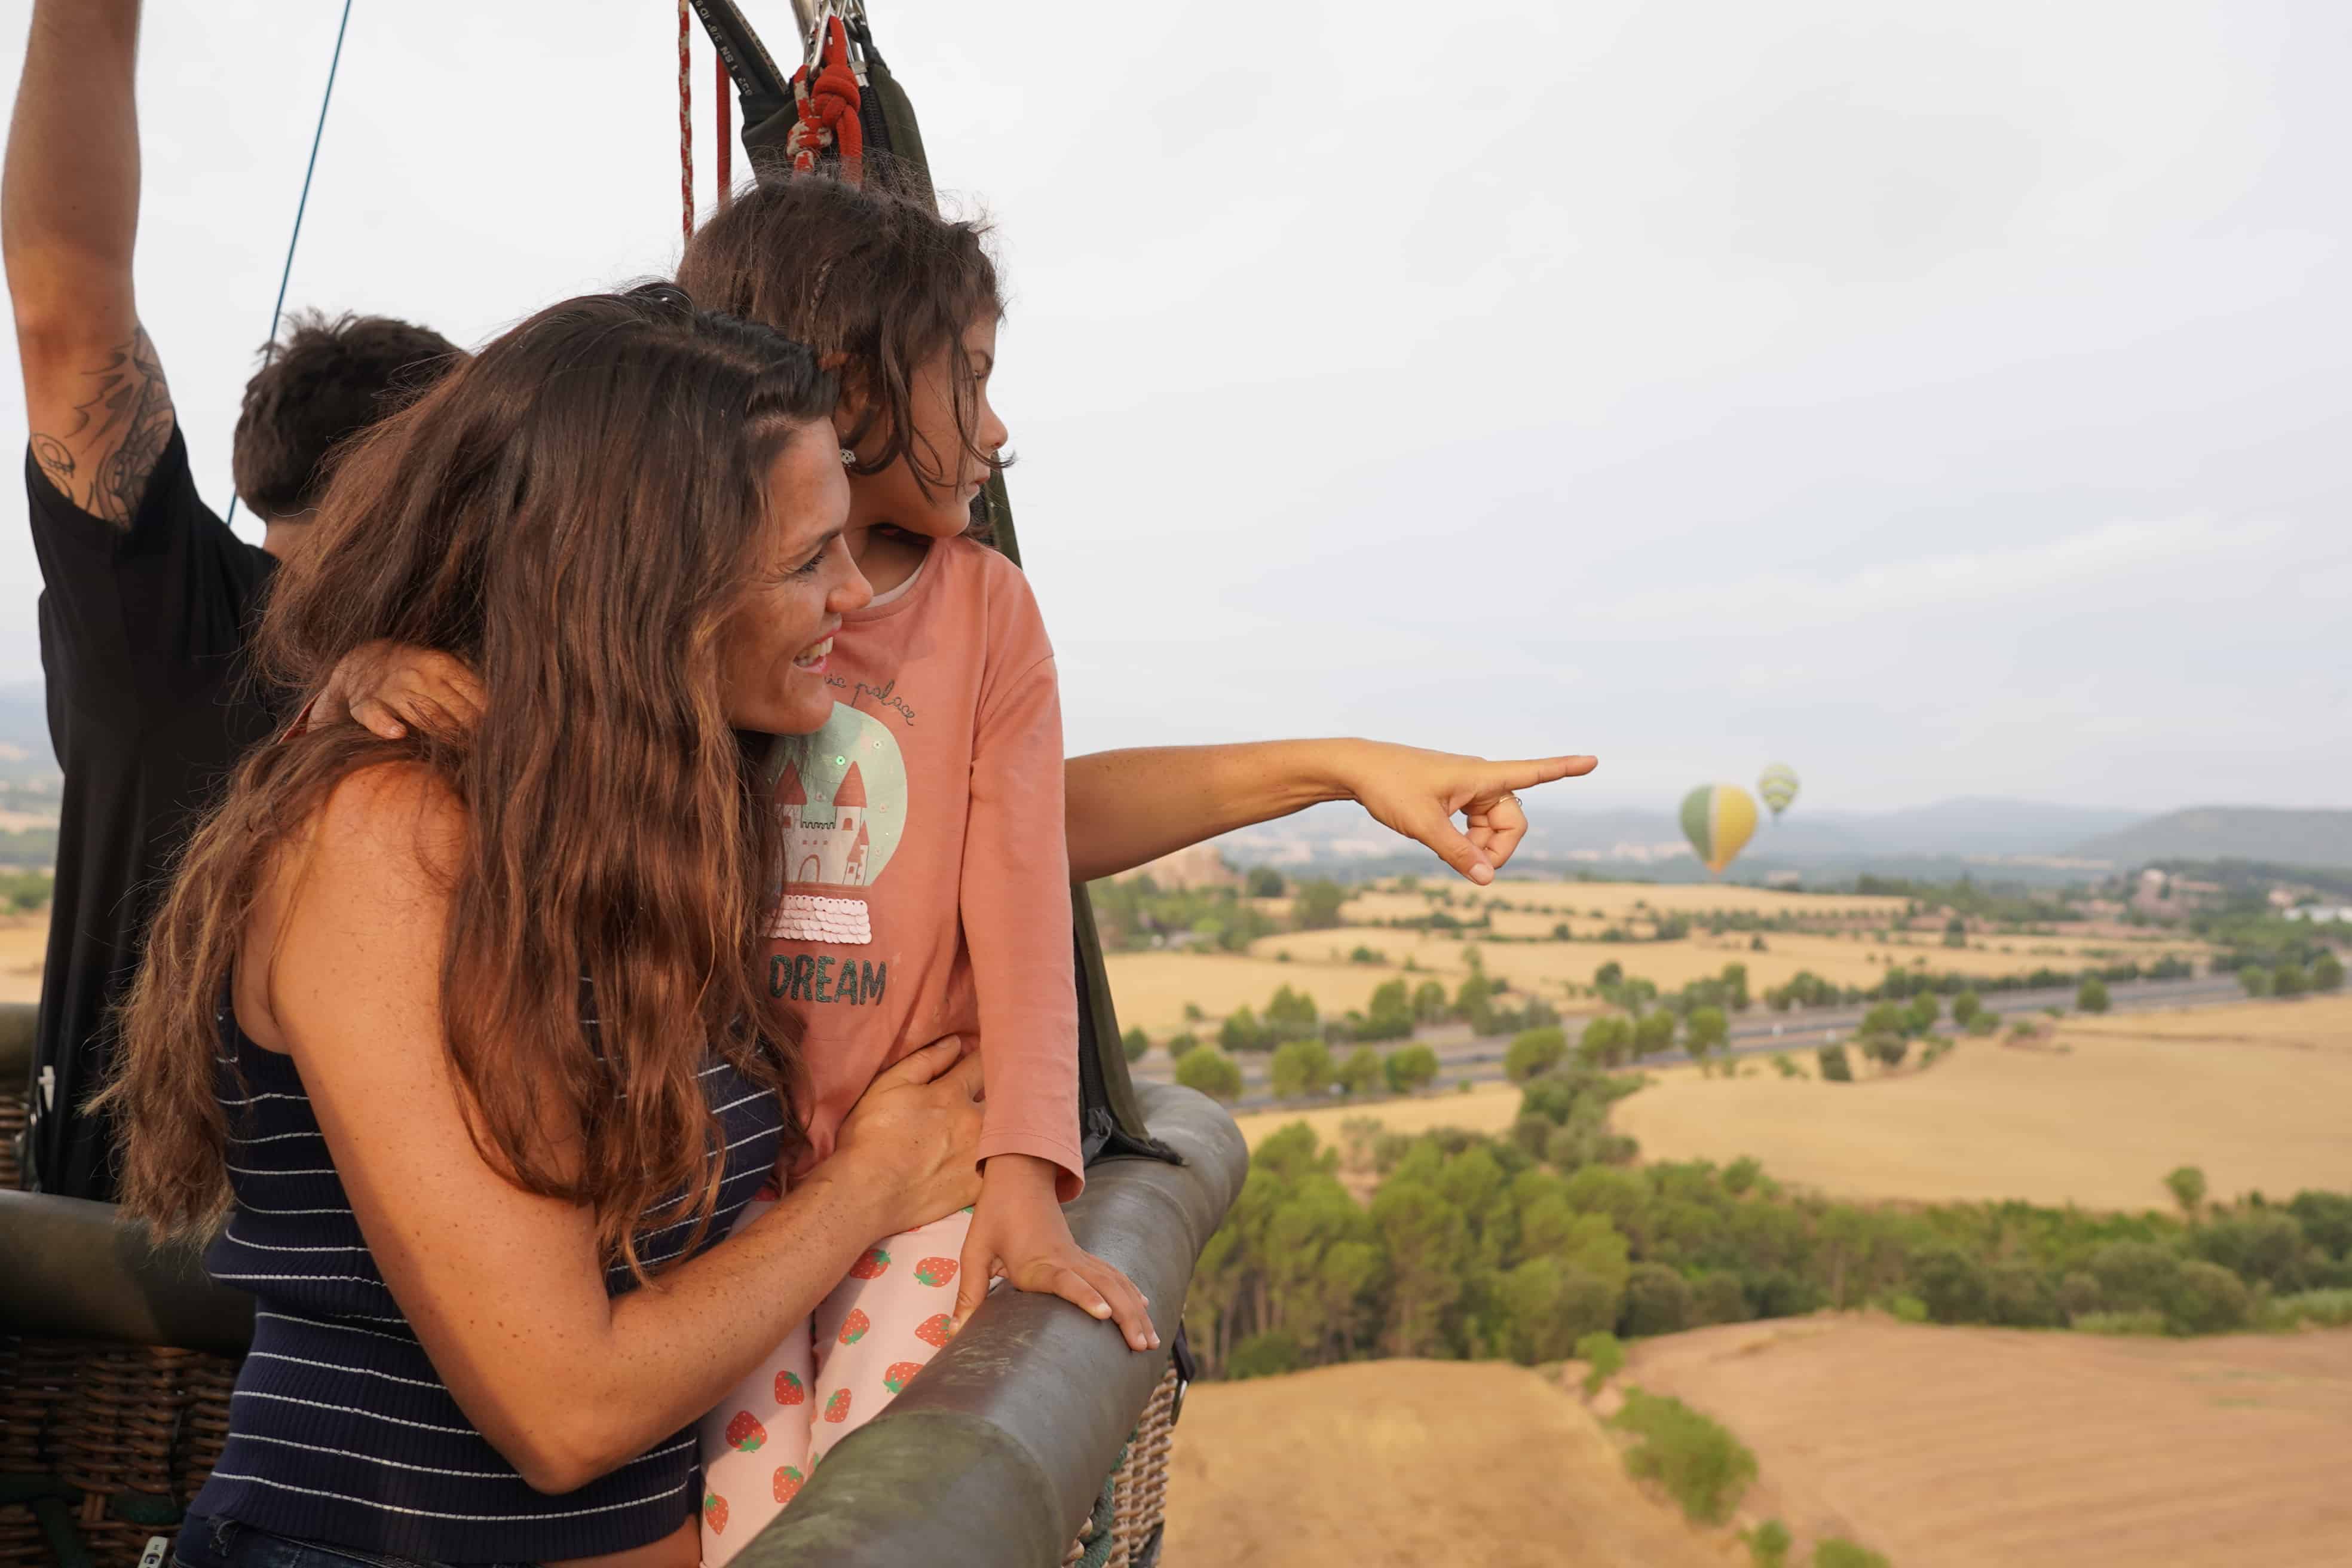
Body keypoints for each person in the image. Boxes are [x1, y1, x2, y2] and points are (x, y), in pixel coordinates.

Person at [332, 172, 1598, 1560]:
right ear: (843, 386)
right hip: (722, 1185)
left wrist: (1025, 1166)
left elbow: (1017, 869)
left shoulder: (977, 608)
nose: (997, 429)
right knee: (749, 1514)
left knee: (902, 1480)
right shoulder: (671, 639)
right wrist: (391, 667)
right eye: (972, 378)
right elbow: (550, 735)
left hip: (913, 1158)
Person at [97, 286, 997, 1568]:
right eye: (808, 559)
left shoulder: (619, 829)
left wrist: (1316, 771)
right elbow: (562, 1408)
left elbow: (1001, 808)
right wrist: (872, 1185)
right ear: (640, 590)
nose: (853, 592)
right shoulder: (391, 840)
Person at [1, 0, 460, 1198]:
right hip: (147, 1294)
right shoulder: (176, 628)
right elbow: (65, 293)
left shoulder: (473, 689)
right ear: (394, 483)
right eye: (473, 473)